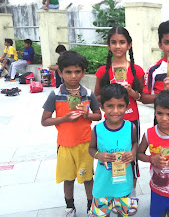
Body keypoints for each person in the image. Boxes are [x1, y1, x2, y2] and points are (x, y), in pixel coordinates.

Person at [41, 51, 102, 217]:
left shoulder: (88, 94)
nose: (73, 76)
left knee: (88, 178)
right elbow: (44, 121)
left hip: (85, 145)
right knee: (68, 179)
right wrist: (64, 118)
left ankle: (91, 206)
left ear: (83, 72)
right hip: (65, 145)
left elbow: (99, 115)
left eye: (77, 71)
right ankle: (70, 207)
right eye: (68, 72)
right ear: (60, 72)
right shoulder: (55, 94)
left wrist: (87, 115)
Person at [94, 26, 144, 215]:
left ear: (129, 45)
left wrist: (132, 92)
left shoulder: (136, 70)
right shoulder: (102, 71)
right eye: (114, 42)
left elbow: (141, 96)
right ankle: (110, 195)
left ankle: (127, 197)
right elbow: (97, 96)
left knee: (131, 158)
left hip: (131, 121)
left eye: (122, 42)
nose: (118, 46)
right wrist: (108, 104)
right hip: (110, 124)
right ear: (108, 46)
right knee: (110, 156)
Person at [89, 83, 138, 217]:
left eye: (120, 106)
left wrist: (133, 152)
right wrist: (99, 155)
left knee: (124, 213)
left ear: (127, 107)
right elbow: (91, 149)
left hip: (124, 185)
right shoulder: (97, 130)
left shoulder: (130, 127)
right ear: (102, 106)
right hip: (103, 185)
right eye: (110, 106)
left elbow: (135, 143)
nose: (115, 111)